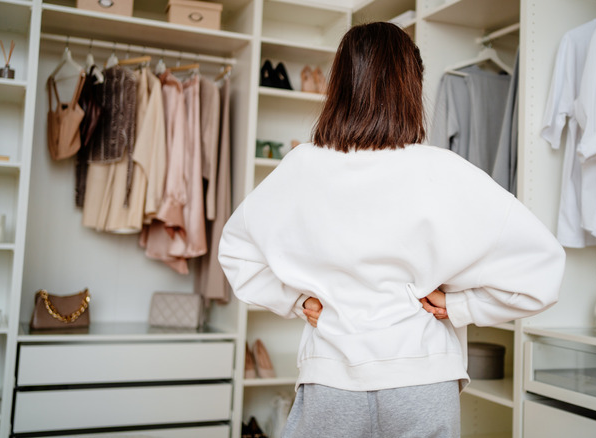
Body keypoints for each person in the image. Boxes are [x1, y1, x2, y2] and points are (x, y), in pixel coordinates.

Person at [219, 21, 566, 438]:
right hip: (423, 379)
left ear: (339, 85)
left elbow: (236, 253)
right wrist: (458, 307)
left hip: (332, 380)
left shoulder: (300, 166)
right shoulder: (446, 171)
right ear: (411, 87)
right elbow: (542, 274)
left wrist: (295, 300)